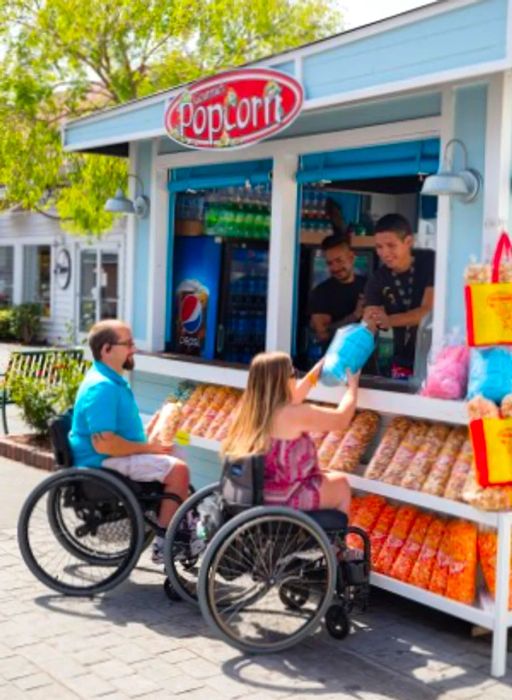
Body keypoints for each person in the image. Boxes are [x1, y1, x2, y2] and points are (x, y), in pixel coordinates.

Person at [69, 319, 190, 564]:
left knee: (176, 451)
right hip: (102, 462)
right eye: (128, 344)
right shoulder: (102, 387)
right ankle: (165, 544)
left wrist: (152, 433)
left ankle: (178, 521)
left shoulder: (111, 381)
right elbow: (105, 444)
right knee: (178, 470)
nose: (133, 349)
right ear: (106, 350)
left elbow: (117, 433)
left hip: (112, 456)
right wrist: (149, 447)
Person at [221, 352, 359, 514]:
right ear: (284, 381)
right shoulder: (295, 414)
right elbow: (341, 419)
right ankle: (335, 539)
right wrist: (353, 388)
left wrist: (314, 374)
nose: (296, 378)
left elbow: (294, 397)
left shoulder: (249, 413)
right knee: (341, 484)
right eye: (294, 374)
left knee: (326, 475)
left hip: (253, 497)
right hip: (286, 500)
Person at [363, 213, 435, 378]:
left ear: (408, 242)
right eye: (379, 247)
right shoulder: (378, 278)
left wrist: (389, 320)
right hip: (399, 360)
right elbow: (370, 318)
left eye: (391, 245)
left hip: (435, 356)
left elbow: (428, 312)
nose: (384, 253)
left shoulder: (430, 262)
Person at [309, 235, 366, 347]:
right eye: (330, 263)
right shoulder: (321, 292)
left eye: (339, 261)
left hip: (368, 361)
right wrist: (355, 316)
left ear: (351, 257)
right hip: (336, 361)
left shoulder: (368, 285)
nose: (335, 268)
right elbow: (322, 335)